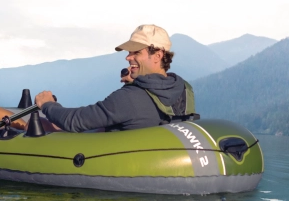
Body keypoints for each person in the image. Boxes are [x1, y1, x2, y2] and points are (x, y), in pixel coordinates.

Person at [33, 24, 196, 132]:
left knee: (43, 125)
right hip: (155, 160)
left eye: (136, 52)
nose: (128, 58)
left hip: (113, 162)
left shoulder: (129, 98)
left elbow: (74, 121)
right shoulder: (184, 89)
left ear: (157, 56)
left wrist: (48, 104)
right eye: (129, 52)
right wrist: (138, 83)